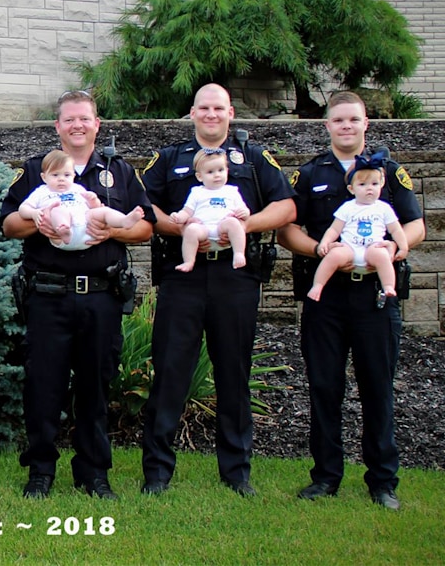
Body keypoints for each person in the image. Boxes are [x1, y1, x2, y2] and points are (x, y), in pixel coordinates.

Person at [140, 83, 295, 497]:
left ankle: (236, 472)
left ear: (230, 113)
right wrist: (177, 226)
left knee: (234, 372)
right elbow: (142, 204)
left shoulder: (254, 157)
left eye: (219, 108)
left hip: (235, 278)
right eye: (204, 108)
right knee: (170, 371)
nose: (211, 115)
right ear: (192, 113)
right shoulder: (170, 158)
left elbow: (286, 207)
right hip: (183, 276)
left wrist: (244, 226)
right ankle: (156, 473)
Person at [1, 90, 154, 500]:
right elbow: (8, 224)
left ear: (96, 123)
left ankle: (93, 473)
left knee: (96, 386)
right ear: (58, 126)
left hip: (102, 297)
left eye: (84, 119)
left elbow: (147, 227)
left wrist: (114, 229)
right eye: (69, 119)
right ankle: (40, 472)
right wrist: (40, 224)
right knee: (43, 386)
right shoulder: (37, 170)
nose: (77, 126)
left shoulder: (118, 171)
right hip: (48, 296)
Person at [278, 91, 424, 510]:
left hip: (376, 295)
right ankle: (326, 477)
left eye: (353, 120)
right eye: (338, 120)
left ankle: (382, 481)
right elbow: (288, 230)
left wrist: (393, 251)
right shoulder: (309, 174)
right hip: (326, 296)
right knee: (325, 386)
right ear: (327, 126)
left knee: (377, 387)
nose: (346, 126)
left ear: (365, 124)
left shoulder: (390, 173)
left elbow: (415, 227)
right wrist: (322, 253)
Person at [306, 156, 408, 304]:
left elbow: (396, 230)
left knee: (382, 256)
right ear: (351, 189)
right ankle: (318, 285)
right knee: (333, 256)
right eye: (362, 184)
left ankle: (388, 287)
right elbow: (334, 229)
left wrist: (402, 247)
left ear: (381, 185)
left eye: (374, 183)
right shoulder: (348, 207)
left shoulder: (383, 208)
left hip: (373, 247)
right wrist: (324, 243)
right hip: (349, 248)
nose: (369, 188)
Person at [17, 149, 145, 251]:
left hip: (87, 231)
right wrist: (34, 214)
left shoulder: (77, 188)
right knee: (57, 210)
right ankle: (65, 229)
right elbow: (23, 208)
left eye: (66, 175)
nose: (61, 179)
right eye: (55, 175)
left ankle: (124, 221)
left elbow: (92, 208)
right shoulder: (42, 191)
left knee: (104, 211)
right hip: (61, 237)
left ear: (73, 175)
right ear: (44, 177)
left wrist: (93, 201)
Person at [169, 148, 250, 272]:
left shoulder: (232, 191)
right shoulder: (197, 192)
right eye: (210, 172)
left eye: (221, 170)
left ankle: (238, 253)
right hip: (204, 229)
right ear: (199, 176)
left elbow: (243, 209)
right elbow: (187, 211)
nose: (217, 175)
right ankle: (189, 261)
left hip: (223, 228)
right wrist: (179, 217)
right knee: (191, 230)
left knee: (234, 223)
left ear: (227, 171)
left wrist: (244, 212)